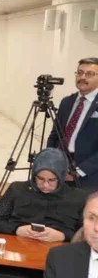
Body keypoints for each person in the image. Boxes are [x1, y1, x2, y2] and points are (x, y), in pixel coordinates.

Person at [0, 148, 86, 241]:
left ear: (62, 177)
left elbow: (87, 232)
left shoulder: (78, 197)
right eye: (40, 179)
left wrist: (63, 236)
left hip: (59, 250)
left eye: (51, 180)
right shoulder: (18, 189)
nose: (45, 185)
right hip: (18, 245)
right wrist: (16, 230)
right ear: (34, 175)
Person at [48, 57, 98, 191]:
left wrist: (79, 171)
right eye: (80, 73)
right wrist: (51, 161)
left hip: (90, 175)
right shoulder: (67, 102)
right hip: (60, 168)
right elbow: (55, 135)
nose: (83, 77)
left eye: (90, 74)